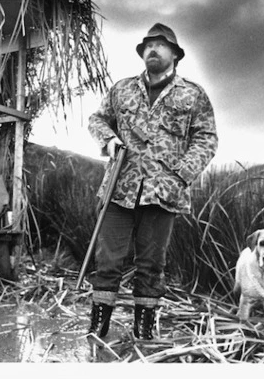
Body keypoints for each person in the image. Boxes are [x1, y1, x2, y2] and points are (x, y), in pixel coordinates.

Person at [87, 22, 218, 340]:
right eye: (148, 45)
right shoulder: (121, 89)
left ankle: (143, 331)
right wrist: (110, 140)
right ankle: (97, 327)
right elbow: (97, 119)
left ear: (175, 54)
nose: (153, 50)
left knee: (151, 265)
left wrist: (180, 177)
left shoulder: (193, 95)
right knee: (107, 260)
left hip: (164, 194)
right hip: (119, 187)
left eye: (161, 45)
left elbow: (207, 139)